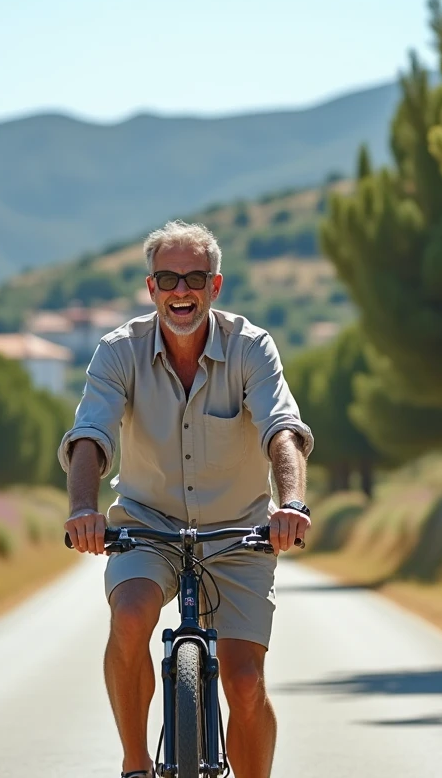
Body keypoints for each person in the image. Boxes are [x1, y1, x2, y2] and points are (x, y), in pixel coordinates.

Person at [60, 220, 314, 778]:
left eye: (194, 277)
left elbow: (282, 429)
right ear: (150, 289)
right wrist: (83, 510)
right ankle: (135, 764)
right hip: (147, 525)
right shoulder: (117, 353)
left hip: (239, 529)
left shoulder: (251, 347)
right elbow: (91, 435)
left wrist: (291, 504)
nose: (181, 290)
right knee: (129, 615)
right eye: (168, 278)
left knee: (244, 683)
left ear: (215, 286)